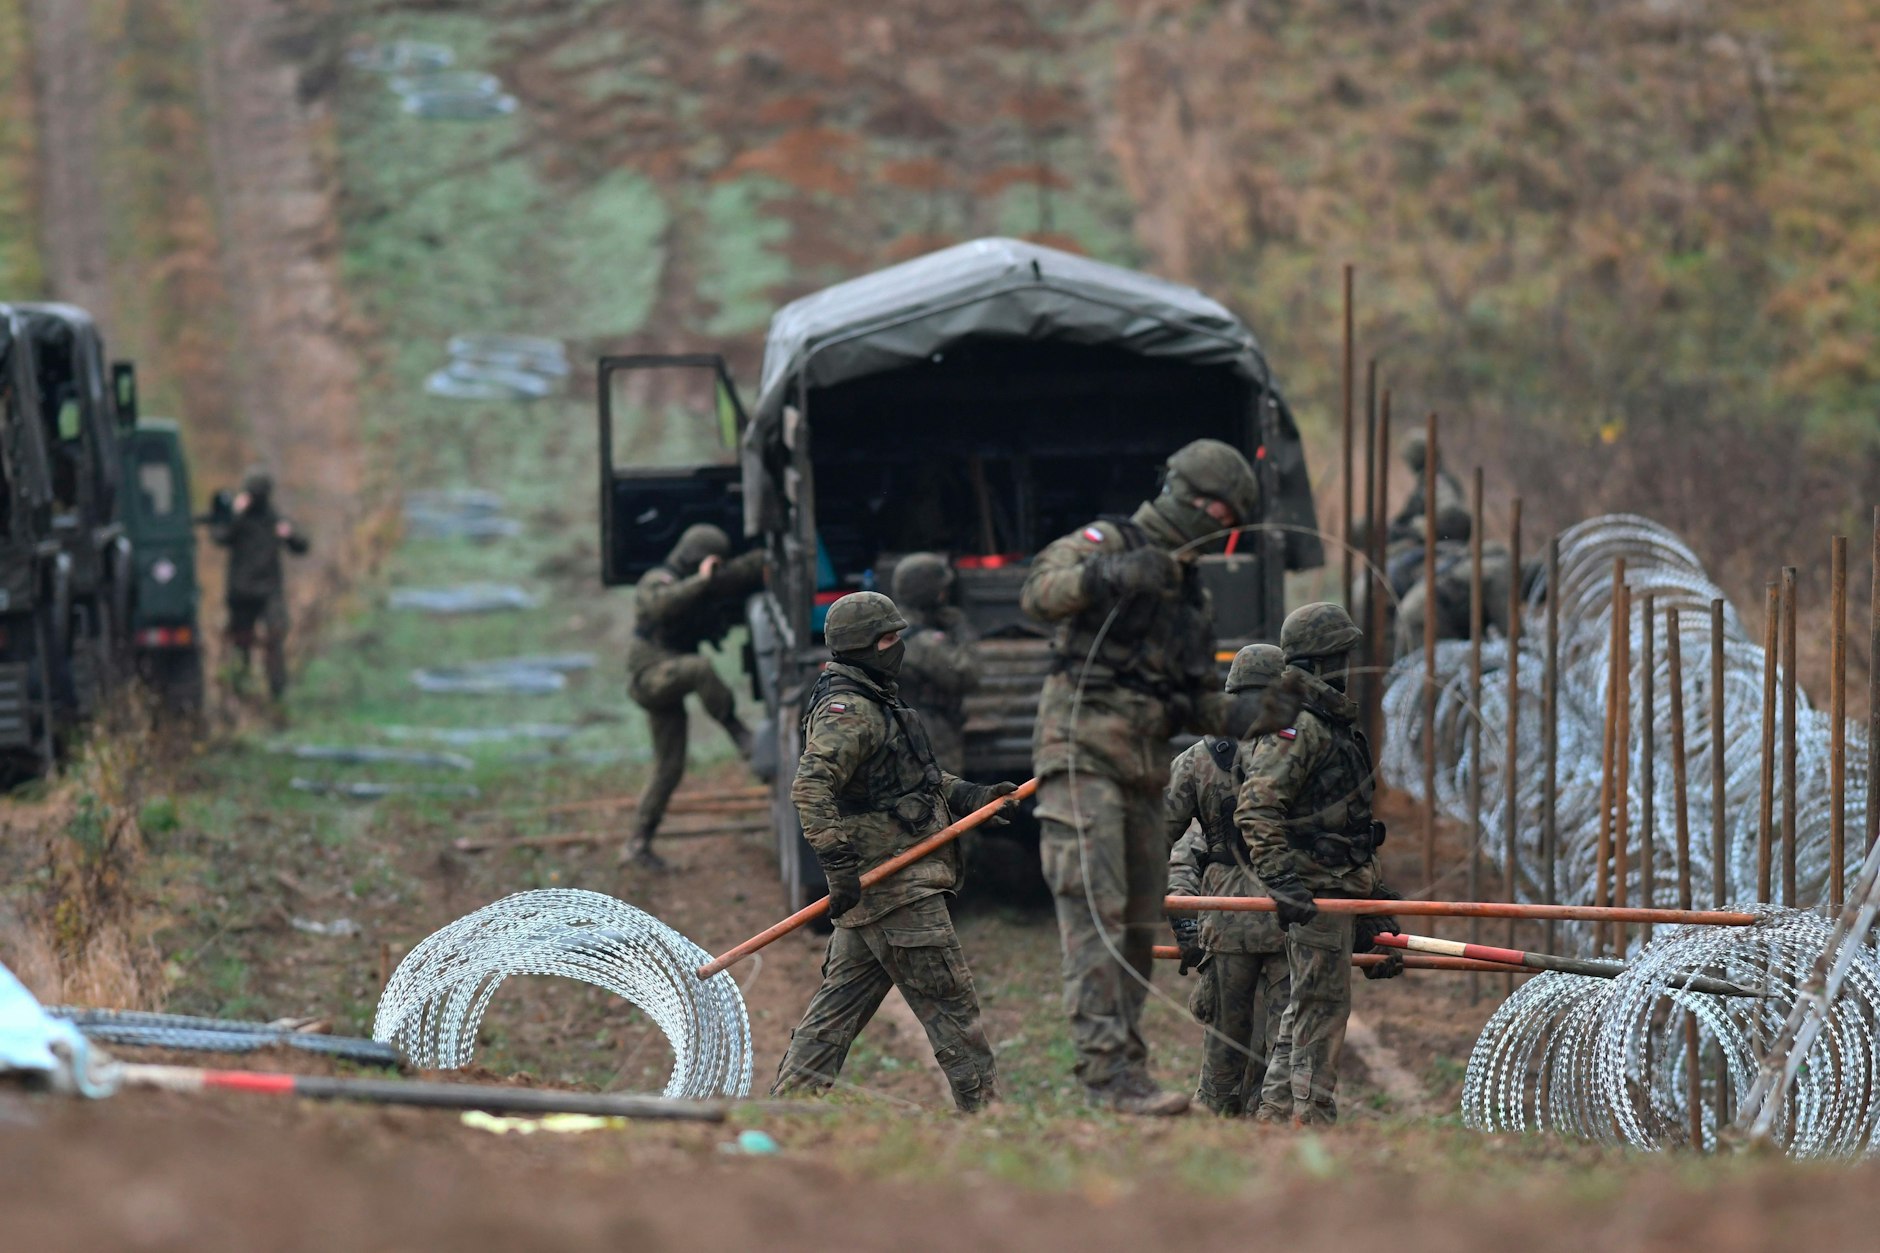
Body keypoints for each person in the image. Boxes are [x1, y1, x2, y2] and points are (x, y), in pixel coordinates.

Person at [1021, 438, 1258, 1116]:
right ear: (1185, 495)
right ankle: (1105, 1072)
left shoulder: (1190, 593)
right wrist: (1109, 576)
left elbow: (1194, 698)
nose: (1221, 525)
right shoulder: (1106, 541)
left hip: (1146, 768)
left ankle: (1127, 1065)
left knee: (1134, 924)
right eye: (1216, 508)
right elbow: (1040, 591)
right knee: (1096, 905)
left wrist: (1257, 714)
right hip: (1081, 751)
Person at [771, 591, 1017, 1112]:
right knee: (952, 1007)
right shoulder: (850, 711)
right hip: (895, 887)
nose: (898, 647)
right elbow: (810, 787)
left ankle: (790, 1107)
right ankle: (989, 1117)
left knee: (835, 1012)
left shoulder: (877, 699)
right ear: (861, 647)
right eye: (887, 639)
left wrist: (973, 796)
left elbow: (913, 781)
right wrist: (838, 867)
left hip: (882, 891)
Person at [1236, 603, 1403, 1128]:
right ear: (1319, 661)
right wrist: (1282, 880)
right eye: (1340, 657)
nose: (1347, 667)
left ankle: (1277, 1115)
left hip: (1340, 885)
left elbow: (1351, 827)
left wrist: (1376, 903)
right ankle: (1312, 1124)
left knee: (1304, 1008)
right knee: (1322, 1009)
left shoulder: (1330, 719)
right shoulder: (1299, 724)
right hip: (1315, 890)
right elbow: (1256, 806)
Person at [1164, 643, 1293, 1116]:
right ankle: (1275, 1124)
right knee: (1286, 1039)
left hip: (1224, 915)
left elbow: (1162, 838)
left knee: (1224, 1040)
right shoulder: (1300, 749)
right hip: (1288, 912)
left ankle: (1216, 1123)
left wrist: (1176, 914)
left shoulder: (1197, 759)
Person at [624, 524, 766, 871]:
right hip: (652, 677)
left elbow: (741, 571)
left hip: (672, 674)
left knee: (669, 768)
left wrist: (766, 555)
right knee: (701, 668)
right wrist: (702, 582)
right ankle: (735, 729)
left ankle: (637, 844)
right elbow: (660, 607)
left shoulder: (701, 577)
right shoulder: (657, 580)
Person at [210, 468, 308, 701]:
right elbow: (219, 536)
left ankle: (277, 691)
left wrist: (289, 535)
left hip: (268, 591)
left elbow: (302, 546)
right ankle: (241, 691)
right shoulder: (238, 519)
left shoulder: (274, 520)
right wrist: (235, 513)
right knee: (240, 643)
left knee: (275, 635)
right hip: (242, 592)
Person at [890, 553, 979, 774]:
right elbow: (967, 673)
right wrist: (961, 629)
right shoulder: (920, 641)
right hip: (928, 738)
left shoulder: (897, 627)